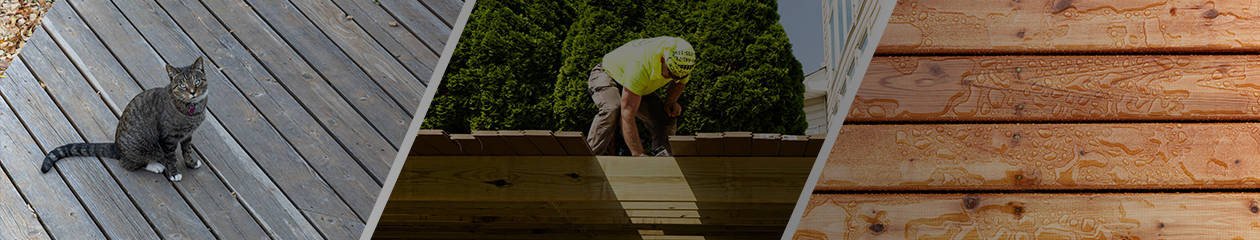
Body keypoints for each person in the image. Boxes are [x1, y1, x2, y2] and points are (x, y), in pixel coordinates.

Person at [586, 36, 696, 156]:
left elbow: (680, 82)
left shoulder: (683, 59)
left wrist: (670, 101)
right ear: (663, 59)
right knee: (613, 108)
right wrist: (638, 153)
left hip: (637, 85)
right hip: (607, 74)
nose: (673, 79)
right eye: (670, 74)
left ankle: (663, 162)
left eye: (677, 77)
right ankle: (589, 157)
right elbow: (627, 113)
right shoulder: (640, 66)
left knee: (665, 118)